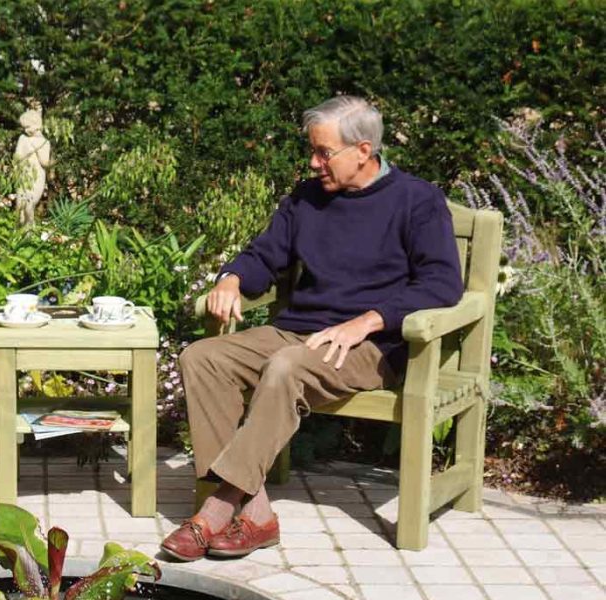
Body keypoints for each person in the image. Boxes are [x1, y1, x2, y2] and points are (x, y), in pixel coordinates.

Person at [160, 96, 463, 561]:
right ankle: (257, 513)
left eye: (324, 153)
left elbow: (442, 283)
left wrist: (368, 321)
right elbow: (264, 255)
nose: (313, 162)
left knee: (284, 367)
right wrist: (232, 279)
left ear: (363, 150)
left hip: (370, 347)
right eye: (313, 151)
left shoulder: (417, 200)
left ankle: (217, 509)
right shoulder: (305, 198)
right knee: (202, 357)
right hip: (299, 333)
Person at [12, 109, 51, 226]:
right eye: (24, 128)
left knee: (29, 205)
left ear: (37, 125)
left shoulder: (44, 142)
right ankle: (18, 232)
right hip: (23, 174)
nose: (26, 130)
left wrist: (37, 149)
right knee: (20, 205)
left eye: (28, 127)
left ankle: (30, 230)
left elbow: (45, 163)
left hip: (36, 176)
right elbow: (17, 156)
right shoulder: (23, 139)